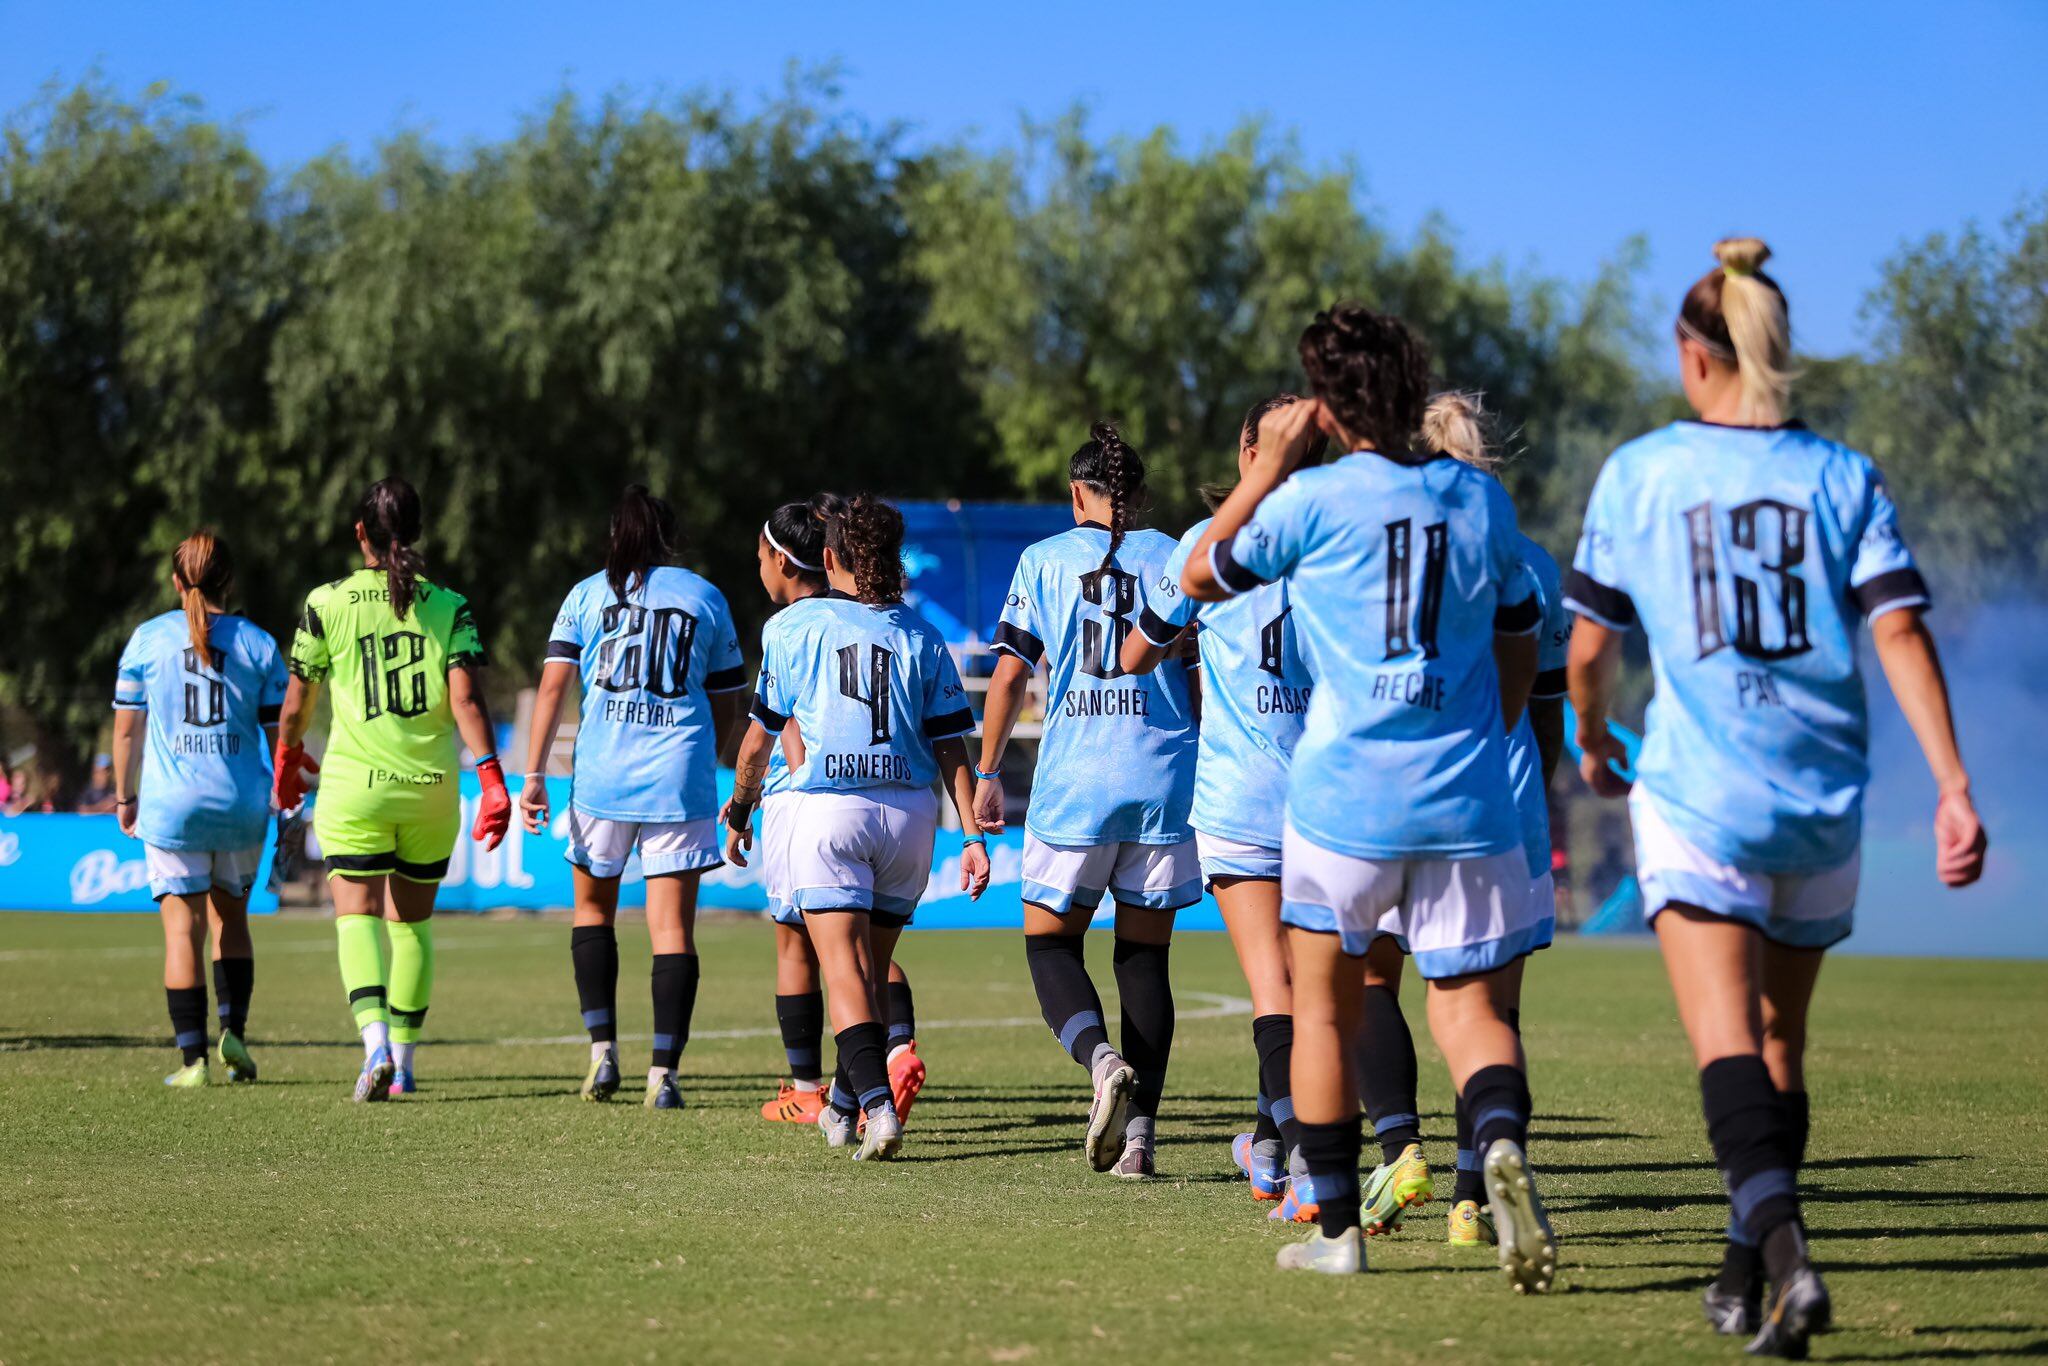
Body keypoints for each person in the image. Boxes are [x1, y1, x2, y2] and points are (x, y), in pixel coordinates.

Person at [1566, 238, 1987, 1357]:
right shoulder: (1842, 474)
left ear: (1690, 356)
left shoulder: (1641, 471)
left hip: (1700, 795)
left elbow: (1587, 649)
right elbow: (1897, 628)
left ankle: (1790, 1261)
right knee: (1777, 1039)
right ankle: (1738, 1273)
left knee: (1721, 1040)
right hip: (1820, 803)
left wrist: (1591, 734)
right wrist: (1949, 783)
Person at [1182, 303, 1554, 1289]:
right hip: (1463, 791)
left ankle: (1338, 1231)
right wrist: (1493, 717)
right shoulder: (1478, 503)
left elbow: (1195, 573)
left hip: (1344, 795)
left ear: (1326, 404)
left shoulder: (1310, 504)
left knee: (1323, 1012)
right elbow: (1519, 631)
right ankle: (1499, 1149)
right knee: (1470, 1011)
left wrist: (1264, 469)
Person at [723, 494, 990, 1162]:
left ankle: (876, 1107)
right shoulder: (922, 633)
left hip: (829, 811)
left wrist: (740, 806)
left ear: (830, 556)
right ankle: (842, 1105)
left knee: (840, 969)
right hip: (909, 817)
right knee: (869, 973)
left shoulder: (792, 628)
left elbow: (758, 744)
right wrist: (974, 837)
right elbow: (954, 744)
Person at [975, 423, 1200, 1181]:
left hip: (1077, 779)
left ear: (1079, 495)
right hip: (1166, 776)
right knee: (1145, 959)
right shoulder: (1175, 554)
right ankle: (1140, 1144)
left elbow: (1008, 676)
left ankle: (1101, 1062)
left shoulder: (1043, 560)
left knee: (1049, 946)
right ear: (1137, 497)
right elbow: (1200, 673)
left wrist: (986, 771)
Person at [1119, 396, 1324, 1207]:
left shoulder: (1213, 549)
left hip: (1242, 797)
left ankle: (1308, 1160)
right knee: (1321, 993)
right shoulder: (1341, 541)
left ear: (1250, 453)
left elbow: (1136, 652)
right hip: (1335, 798)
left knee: (1273, 992)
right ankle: (1273, 1143)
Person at [1393, 393, 1572, 1249]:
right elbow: (1545, 711)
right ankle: (1477, 1193)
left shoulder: (1392, 548)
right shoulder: (1530, 561)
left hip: (1405, 795)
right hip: (1508, 803)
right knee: (1493, 1013)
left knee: (1362, 990)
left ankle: (1393, 1154)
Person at [274, 476, 510, 1102]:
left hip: (354, 789)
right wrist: (491, 780)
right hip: (431, 788)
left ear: (360, 534)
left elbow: (297, 701)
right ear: (420, 529)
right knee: (412, 927)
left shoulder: (326, 602)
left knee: (356, 919)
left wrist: (287, 758)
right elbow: (466, 698)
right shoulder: (450, 605)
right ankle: (403, 1067)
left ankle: (373, 1044)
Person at [519, 486, 749, 1111]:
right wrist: (716, 747)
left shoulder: (586, 595)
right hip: (679, 778)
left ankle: (601, 1053)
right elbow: (730, 694)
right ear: (668, 536)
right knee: (672, 927)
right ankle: (664, 1074)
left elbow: (551, 691)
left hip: (602, 779)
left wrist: (533, 772)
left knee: (593, 914)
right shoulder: (704, 596)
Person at [746, 497, 928, 1128]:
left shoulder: (796, 628)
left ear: (783, 560)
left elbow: (786, 734)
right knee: (864, 952)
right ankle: (892, 1051)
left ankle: (812, 1089)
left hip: (811, 800)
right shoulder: (896, 625)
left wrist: (745, 802)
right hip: (903, 804)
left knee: (806, 945)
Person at [111, 532, 285, 1086]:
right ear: (228, 583)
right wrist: (286, 797)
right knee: (231, 921)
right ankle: (234, 1034)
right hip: (240, 806)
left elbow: (124, 732)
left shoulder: (146, 640)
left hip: (172, 808)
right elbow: (281, 736)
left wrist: (124, 796)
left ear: (174, 581)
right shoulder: (258, 643)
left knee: (180, 932)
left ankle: (193, 1062)